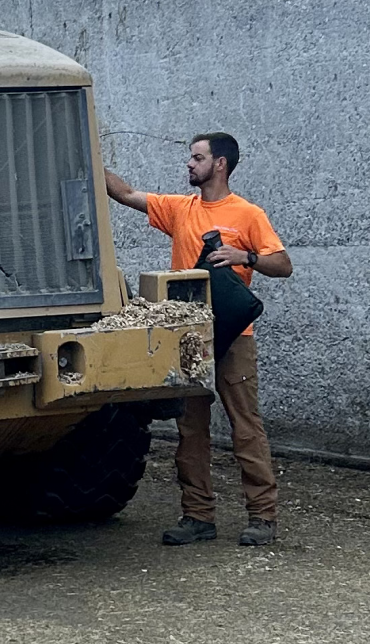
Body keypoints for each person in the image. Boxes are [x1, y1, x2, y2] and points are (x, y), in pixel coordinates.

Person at [106, 132, 292, 547]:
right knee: (190, 429)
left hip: (233, 336)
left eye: (197, 158)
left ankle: (262, 517)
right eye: (190, 158)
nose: (189, 164)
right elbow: (127, 194)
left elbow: (283, 264)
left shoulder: (247, 214)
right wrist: (84, 152)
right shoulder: (179, 209)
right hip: (189, 338)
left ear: (220, 163)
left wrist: (246, 257)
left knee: (246, 428)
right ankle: (197, 516)